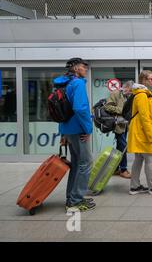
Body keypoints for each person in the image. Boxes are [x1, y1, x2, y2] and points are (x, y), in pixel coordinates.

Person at [54, 57, 95, 212]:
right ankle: (76, 201)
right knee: (86, 163)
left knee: (77, 164)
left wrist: (63, 133)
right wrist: (88, 129)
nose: (86, 69)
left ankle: (71, 197)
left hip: (68, 130)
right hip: (79, 130)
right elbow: (80, 108)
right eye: (84, 67)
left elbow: (62, 110)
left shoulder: (63, 84)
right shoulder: (77, 83)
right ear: (77, 68)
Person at [104, 80, 134, 179]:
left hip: (125, 125)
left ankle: (116, 168)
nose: (130, 93)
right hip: (117, 124)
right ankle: (123, 169)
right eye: (129, 91)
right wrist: (121, 111)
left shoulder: (129, 96)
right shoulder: (115, 94)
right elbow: (107, 106)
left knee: (120, 147)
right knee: (123, 146)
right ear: (125, 88)